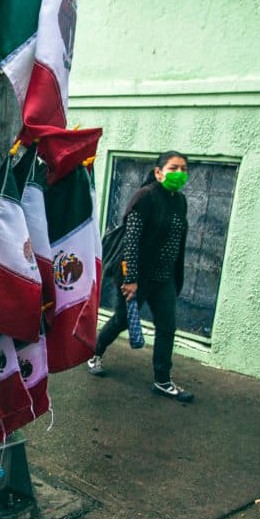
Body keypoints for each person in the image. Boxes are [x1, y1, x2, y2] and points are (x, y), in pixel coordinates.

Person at [88, 151, 194, 402]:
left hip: (163, 278)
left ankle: (163, 380)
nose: (180, 173)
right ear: (158, 172)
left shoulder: (180, 201)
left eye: (184, 169)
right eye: (173, 168)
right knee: (121, 321)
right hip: (135, 276)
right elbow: (132, 242)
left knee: (167, 327)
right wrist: (131, 279)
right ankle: (95, 352)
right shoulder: (144, 197)